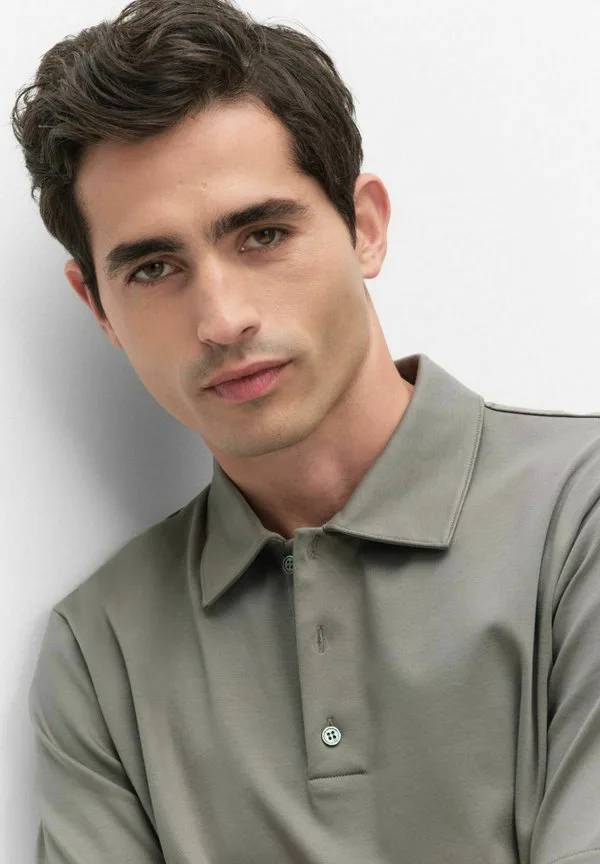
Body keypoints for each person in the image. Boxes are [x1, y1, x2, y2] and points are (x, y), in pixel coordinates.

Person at [11, 0, 600, 862]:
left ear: (365, 227)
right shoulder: (102, 650)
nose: (222, 319)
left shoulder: (579, 516)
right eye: (155, 267)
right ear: (97, 306)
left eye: (263, 234)